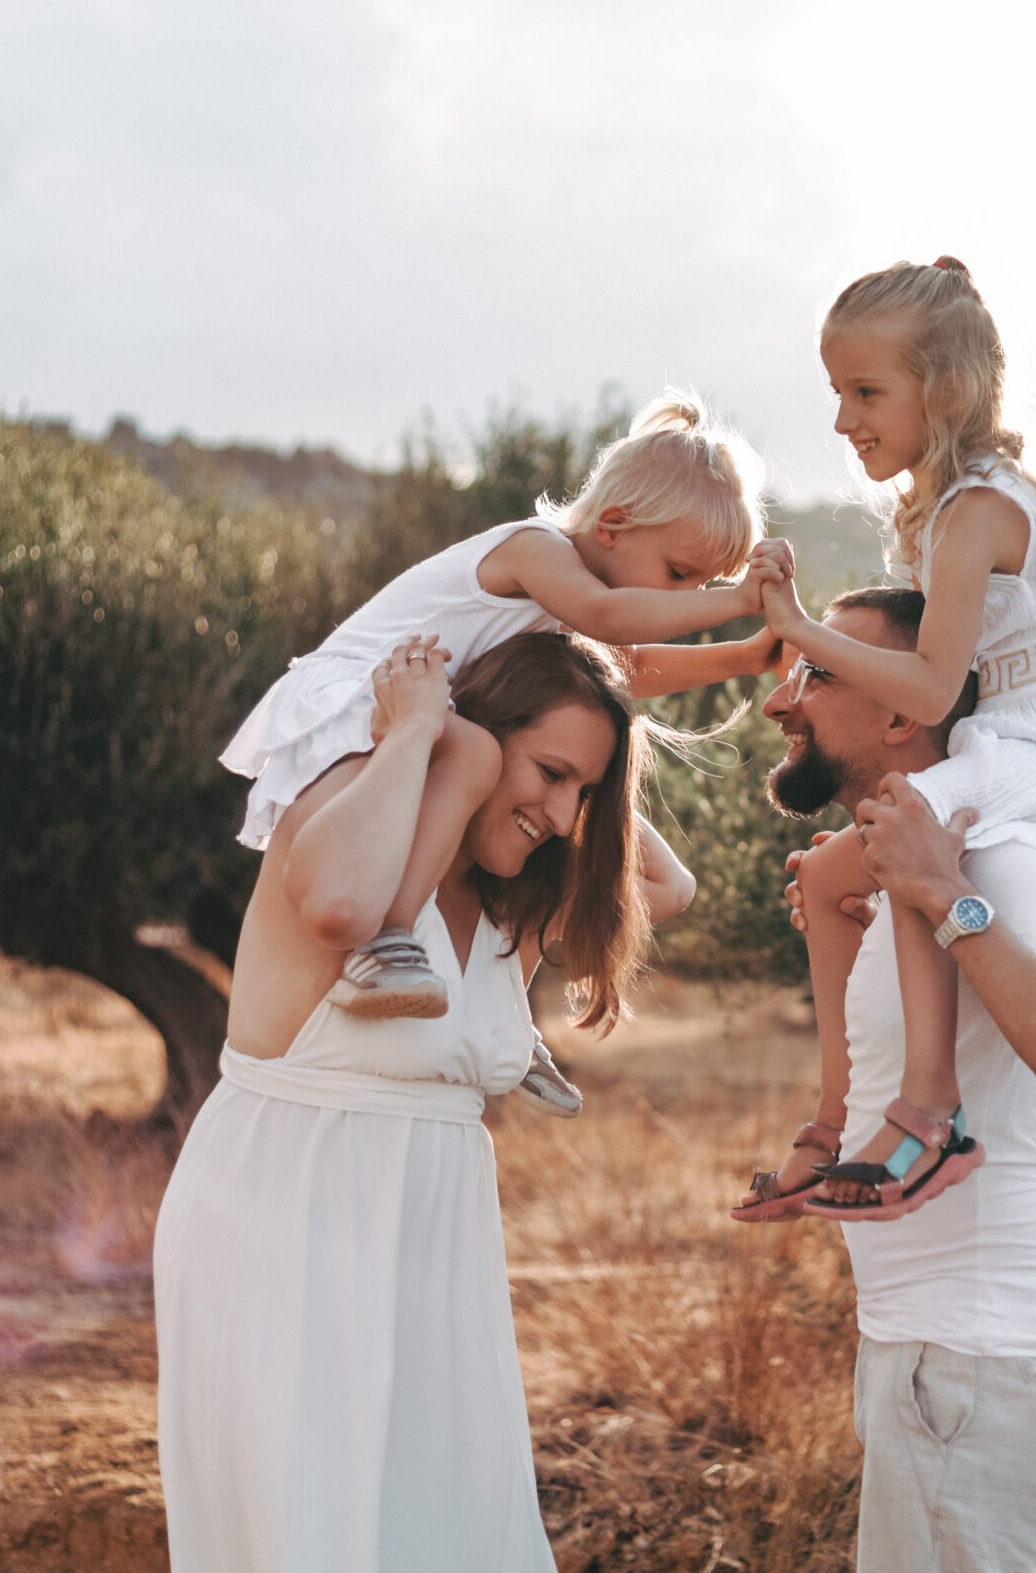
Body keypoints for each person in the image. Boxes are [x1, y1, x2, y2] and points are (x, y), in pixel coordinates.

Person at [155, 630, 682, 1573]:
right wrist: (415, 737)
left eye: (585, 793)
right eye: (551, 774)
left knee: (445, 1550)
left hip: (435, 1263)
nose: (562, 816)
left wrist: (594, 772)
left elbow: (663, 891)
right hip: (282, 1230)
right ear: (474, 736)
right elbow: (344, 905)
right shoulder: (340, 816)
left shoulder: (508, 907)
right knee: (321, 1553)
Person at [220, 390, 788, 1115]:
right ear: (611, 526)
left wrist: (744, 657)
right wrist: (738, 601)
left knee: (517, 779)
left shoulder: (571, 602)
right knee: (476, 754)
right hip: (376, 693)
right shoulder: (534, 550)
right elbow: (613, 620)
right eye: (682, 574)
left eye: (703, 584)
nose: (688, 597)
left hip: (432, 708)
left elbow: (626, 665)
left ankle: (503, 1019)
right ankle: (386, 945)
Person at [759, 586, 1036, 1573]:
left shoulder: (996, 856)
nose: (787, 700)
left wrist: (943, 897)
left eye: (821, 673)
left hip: (976, 1365)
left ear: (899, 713)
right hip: (937, 1362)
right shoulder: (891, 882)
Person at [736, 259, 1036, 1220]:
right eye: (838, 393)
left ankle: (931, 1110)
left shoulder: (979, 513)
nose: (844, 421)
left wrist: (797, 626)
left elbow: (927, 685)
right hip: (1009, 725)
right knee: (834, 874)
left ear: (948, 391)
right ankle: (837, 1116)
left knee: (912, 824)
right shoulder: (939, 509)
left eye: (866, 392)